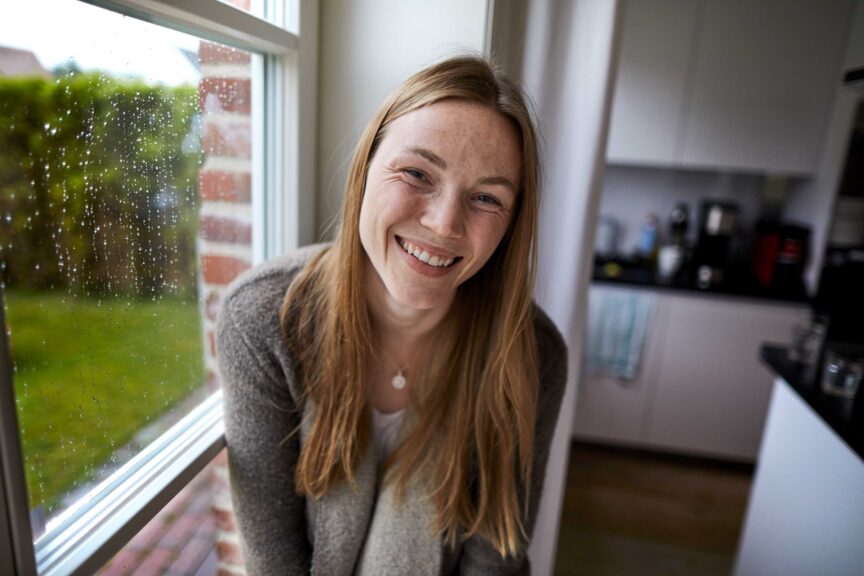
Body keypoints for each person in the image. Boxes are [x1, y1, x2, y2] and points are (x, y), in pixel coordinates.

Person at [216, 54, 568, 576]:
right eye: (417, 173)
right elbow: (275, 563)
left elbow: (496, 558)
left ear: (512, 225)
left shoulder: (534, 353)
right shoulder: (263, 320)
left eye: (486, 198)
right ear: (365, 169)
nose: (444, 223)